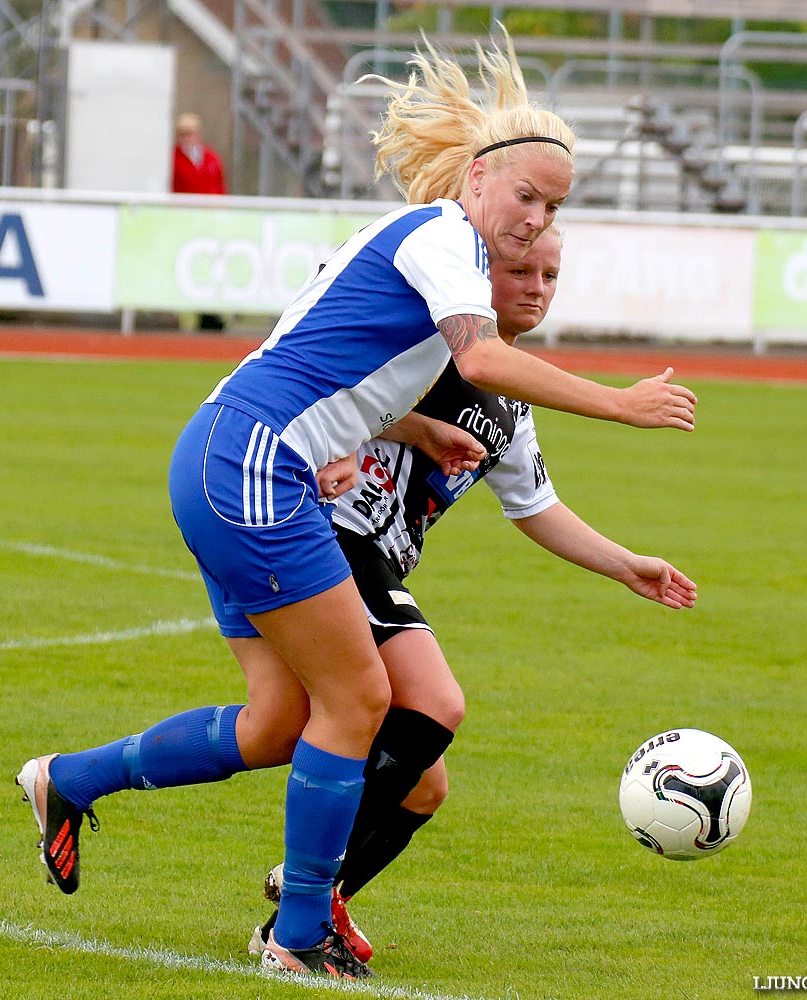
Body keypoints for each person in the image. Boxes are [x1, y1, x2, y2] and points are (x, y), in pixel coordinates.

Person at [16, 31, 697, 982]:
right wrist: (621, 402)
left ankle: (67, 780)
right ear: (473, 177)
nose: (536, 227)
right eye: (526, 200)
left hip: (229, 455)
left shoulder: (434, 245)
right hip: (255, 466)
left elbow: (366, 373)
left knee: (272, 724)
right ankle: (298, 934)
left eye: (552, 212)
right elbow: (481, 360)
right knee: (362, 700)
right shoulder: (440, 236)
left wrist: (415, 435)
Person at [246, 224, 698, 965]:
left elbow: (534, 507)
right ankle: (304, 894)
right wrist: (417, 426)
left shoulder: (510, 401)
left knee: (424, 790)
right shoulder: (424, 348)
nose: (536, 287)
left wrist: (625, 565)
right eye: (520, 269)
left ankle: (304, 908)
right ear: (478, 272)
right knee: (436, 704)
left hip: (380, 565)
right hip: (329, 541)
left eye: (550, 276)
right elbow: (331, 393)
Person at [171, 111, 227, 332]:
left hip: (208, 226)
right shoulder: (173, 159)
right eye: (183, 133)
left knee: (208, 267)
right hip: (183, 226)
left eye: (190, 132)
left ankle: (209, 314)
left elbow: (219, 187)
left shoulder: (211, 158)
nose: (188, 137)